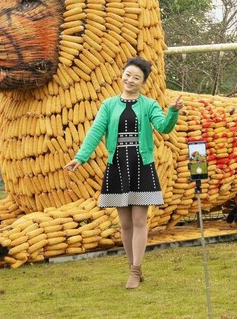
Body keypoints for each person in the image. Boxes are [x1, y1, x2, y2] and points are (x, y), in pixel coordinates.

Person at [64, 56, 184, 289]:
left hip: (141, 165)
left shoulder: (148, 105)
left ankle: (136, 270)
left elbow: (164, 127)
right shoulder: (109, 105)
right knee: (125, 224)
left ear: (143, 82)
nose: (130, 80)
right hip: (118, 165)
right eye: (128, 75)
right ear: (122, 75)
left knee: (139, 220)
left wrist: (172, 112)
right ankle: (132, 266)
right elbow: (96, 131)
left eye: (136, 77)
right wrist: (80, 157)